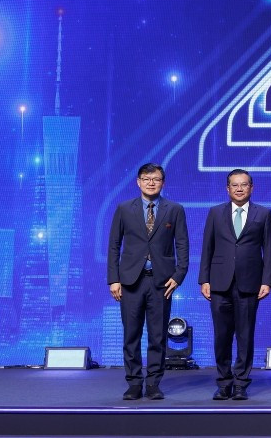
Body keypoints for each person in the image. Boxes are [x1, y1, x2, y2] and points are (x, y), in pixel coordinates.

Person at [107, 163, 189, 401]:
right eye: (146, 178)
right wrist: (114, 279)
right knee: (131, 335)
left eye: (156, 179)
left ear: (163, 182)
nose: (151, 183)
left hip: (162, 283)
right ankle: (134, 383)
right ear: (138, 182)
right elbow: (114, 245)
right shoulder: (124, 209)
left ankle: (153, 383)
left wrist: (179, 275)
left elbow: (182, 244)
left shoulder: (175, 209)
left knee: (158, 336)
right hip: (130, 281)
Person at [199, 169, 271, 401]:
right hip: (219, 282)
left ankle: (241, 383)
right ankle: (224, 383)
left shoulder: (264, 214)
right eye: (235, 185)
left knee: (245, 335)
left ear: (252, 187)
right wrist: (204, 279)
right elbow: (207, 248)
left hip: (250, 283)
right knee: (221, 336)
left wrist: (267, 281)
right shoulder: (215, 212)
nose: (239, 189)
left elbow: (268, 249)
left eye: (244, 185)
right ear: (227, 188)